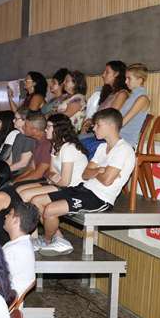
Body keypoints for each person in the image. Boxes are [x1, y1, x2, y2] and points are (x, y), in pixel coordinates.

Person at [35, 108, 136, 255]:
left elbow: (107, 180)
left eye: (97, 125)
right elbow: (85, 174)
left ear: (110, 126)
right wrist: (99, 170)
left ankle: (49, 241)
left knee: (50, 210)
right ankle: (59, 240)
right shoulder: (102, 147)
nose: (93, 128)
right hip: (84, 188)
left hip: (99, 198)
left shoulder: (124, 150)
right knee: (37, 200)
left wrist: (97, 171)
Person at [16, 113, 89, 204]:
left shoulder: (68, 148)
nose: (46, 130)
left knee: (25, 194)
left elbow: (65, 182)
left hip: (73, 188)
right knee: (19, 189)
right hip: (58, 184)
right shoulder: (55, 145)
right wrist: (53, 177)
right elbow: (51, 171)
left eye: (49, 126)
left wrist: (52, 178)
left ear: (58, 129)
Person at [1, 201, 39, 297]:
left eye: (9, 214)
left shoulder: (13, 250)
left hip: (3, 303)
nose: (5, 216)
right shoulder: (23, 244)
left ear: (16, 221)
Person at [12, 111, 52, 185]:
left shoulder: (47, 145)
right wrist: (16, 180)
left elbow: (38, 174)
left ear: (35, 130)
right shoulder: (37, 141)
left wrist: (16, 182)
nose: (23, 127)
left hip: (45, 181)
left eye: (26, 126)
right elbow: (31, 168)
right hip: (38, 179)